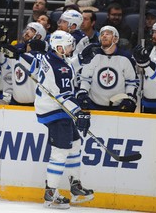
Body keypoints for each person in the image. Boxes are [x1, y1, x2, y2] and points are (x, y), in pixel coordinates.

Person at [34, 30, 93, 209]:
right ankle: (50, 193)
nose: (71, 49)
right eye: (68, 46)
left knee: (75, 143)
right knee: (60, 152)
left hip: (55, 108)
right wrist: (79, 112)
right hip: (55, 111)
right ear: (58, 47)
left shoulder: (52, 58)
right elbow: (63, 95)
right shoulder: (60, 67)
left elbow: (66, 69)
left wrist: (80, 60)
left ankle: (75, 185)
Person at [76, 25, 139, 112]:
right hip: (94, 106)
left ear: (116, 39)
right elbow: (84, 78)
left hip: (118, 107)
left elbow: (131, 82)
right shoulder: (92, 55)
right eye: (102, 34)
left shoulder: (125, 57)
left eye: (108, 34)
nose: (104, 36)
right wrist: (83, 92)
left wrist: (130, 97)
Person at [1, 22, 47, 106]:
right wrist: (1, 43)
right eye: (27, 29)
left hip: (35, 104)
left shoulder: (42, 55)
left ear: (38, 36)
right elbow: (5, 65)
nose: (27, 31)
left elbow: (35, 65)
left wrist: (19, 55)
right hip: (14, 102)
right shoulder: (18, 49)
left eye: (32, 30)